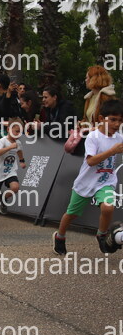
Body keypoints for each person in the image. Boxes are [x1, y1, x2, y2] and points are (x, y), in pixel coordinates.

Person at [52, 100, 123, 256]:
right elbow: (90, 161)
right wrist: (112, 151)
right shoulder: (93, 137)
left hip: (106, 182)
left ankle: (102, 235)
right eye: (113, 119)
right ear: (101, 118)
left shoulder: (119, 137)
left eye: (120, 120)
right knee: (72, 213)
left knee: (108, 207)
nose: (117, 124)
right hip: (85, 182)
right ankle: (60, 236)